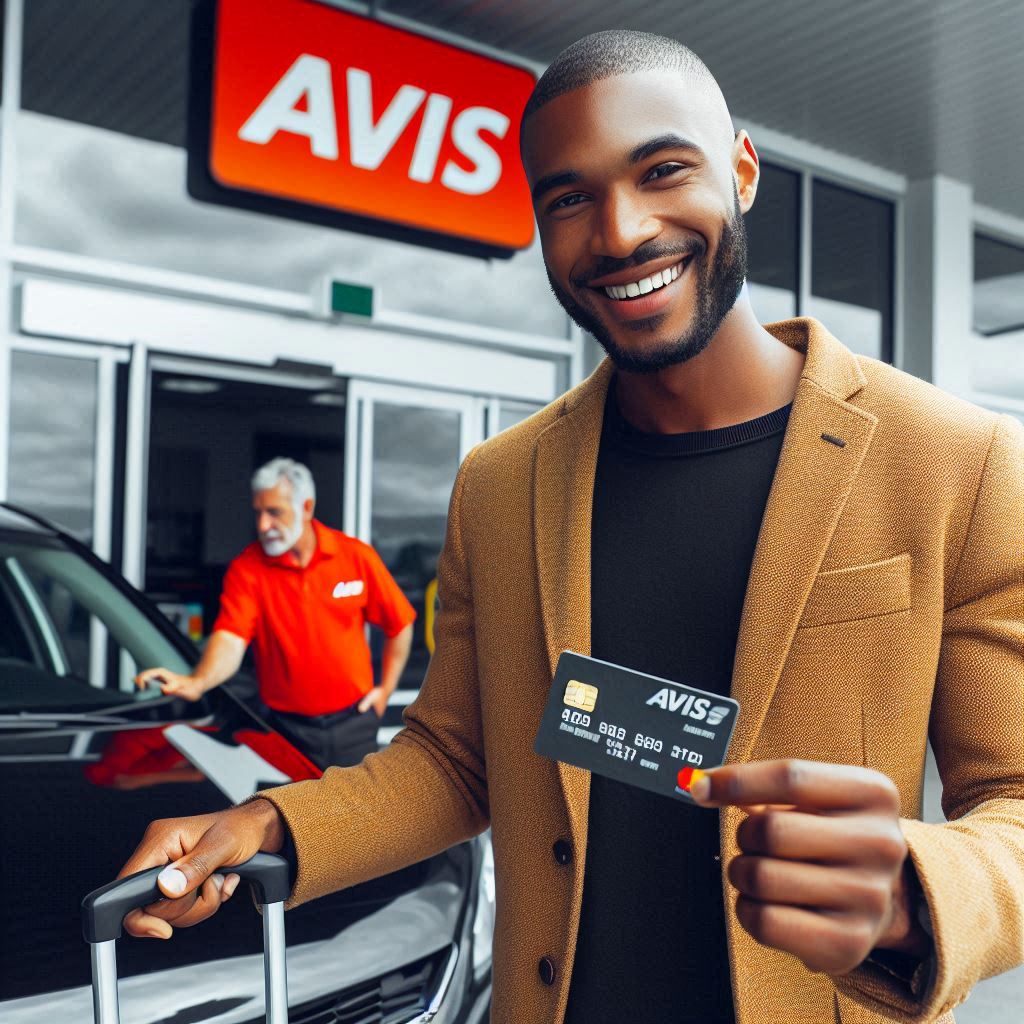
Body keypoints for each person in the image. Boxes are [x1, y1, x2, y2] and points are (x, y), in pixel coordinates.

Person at [118, 32, 1023, 1024]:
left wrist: (916, 886)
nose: (622, 230)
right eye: (568, 197)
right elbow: (456, 761)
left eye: (663, 170)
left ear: (744, 170)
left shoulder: (955, 461)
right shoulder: (500, 484)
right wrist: (270, 823)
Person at [136, 457, 415, 770]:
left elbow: (400, 623)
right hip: (285, 730)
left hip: (355, 724)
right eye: (258, 512)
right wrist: (198, 682)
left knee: (355, 817)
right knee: (292, 817)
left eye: (274, 512)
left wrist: (385, 690)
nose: (262, 525)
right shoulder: (248, 569)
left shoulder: (355, 556)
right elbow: (230, 639)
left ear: (306, 508)